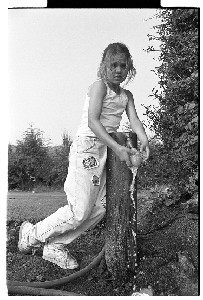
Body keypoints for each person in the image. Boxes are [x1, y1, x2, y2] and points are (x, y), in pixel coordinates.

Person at [18, 42, 150, 270]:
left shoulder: (126, 95)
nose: (118, 70)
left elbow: (135, 121)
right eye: (113, 65)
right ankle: (31, 234)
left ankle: (55, 244)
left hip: (105, 151)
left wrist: (144, 139)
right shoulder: (99, 87)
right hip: (87, 148)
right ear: (104, 67)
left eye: (123, 65)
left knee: (102, 206)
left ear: (129, 68)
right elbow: (93, 121)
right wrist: (118, 148)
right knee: (79, 210)